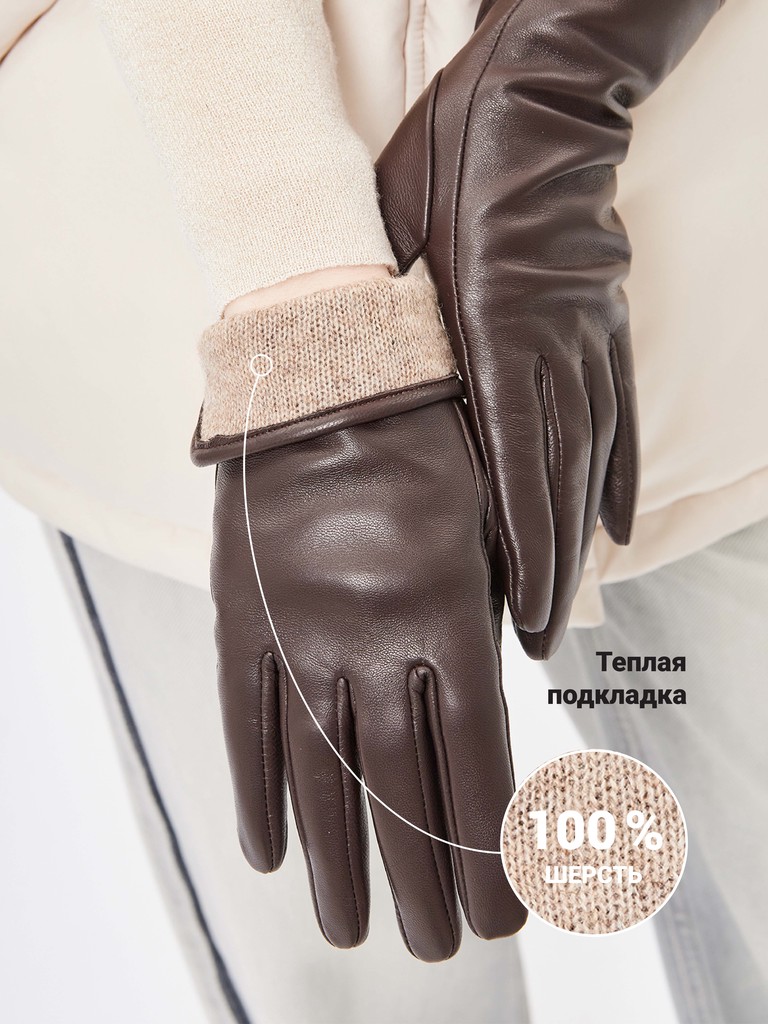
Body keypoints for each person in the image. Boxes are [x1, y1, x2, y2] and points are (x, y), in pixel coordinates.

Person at [0, 0, 766, 1021]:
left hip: (705, 258)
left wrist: (563, 65)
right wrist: (307, 329)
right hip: (186, 294)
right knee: (364, 985)